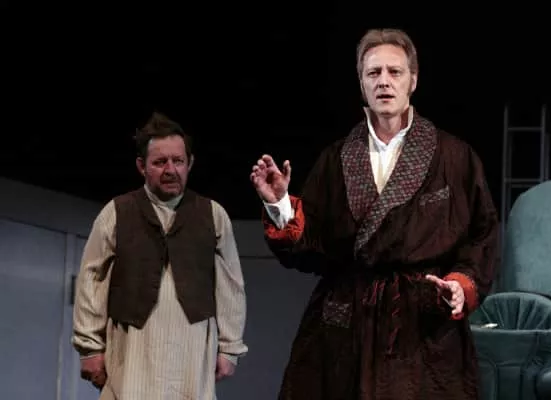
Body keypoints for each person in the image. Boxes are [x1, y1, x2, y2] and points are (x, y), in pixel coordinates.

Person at [250, 28, 499, 399]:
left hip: (422, 323)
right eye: (373, 73)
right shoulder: (337, 159)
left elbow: (482, 233)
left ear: (413, 80)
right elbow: (311, 247)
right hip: (347, 323)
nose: (384, 81)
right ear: (362, 84)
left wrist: (460, 285)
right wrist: (281, 204)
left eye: (394, 72)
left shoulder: (454, 157)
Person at [72, 112, 248, 399]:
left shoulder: (213, 215)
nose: (170, 169)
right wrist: (90, 346)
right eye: (160, 162)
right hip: (133, 346)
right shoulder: (117, 212)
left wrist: (230, 348)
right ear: (142, 166)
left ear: (190, 163)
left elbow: (231, 286)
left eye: (178, 161)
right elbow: (92, 279)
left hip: (191, 346)